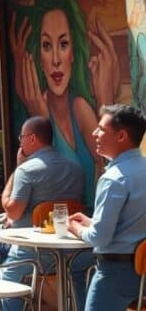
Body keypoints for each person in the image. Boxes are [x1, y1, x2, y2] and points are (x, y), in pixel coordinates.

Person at [10, 0, 118, 206]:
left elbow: (110, 167)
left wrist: (106, 100)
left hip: (88, 220)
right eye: (47, 46)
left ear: (74, 53)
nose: (57, 60)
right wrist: (39, 119)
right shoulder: (34, 109)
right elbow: (34, 184)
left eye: (63, 44)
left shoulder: (79, 107)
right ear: (38, 57)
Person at [0, 116, 86, 311]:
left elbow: (12, 211)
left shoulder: (27, 170)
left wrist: (17, 170)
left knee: (4, 269)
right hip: (72, 249)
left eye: (22, 137)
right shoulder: (75, 168)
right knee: (79, 277)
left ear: (32, 139)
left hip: (34, 250)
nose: (19, 142)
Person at [67, 104, 146, 311]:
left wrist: (76, 228)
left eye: (101, 129)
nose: (94, 133)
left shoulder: (113, 178)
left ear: (121, 136)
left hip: (117, 273)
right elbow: (134, 223)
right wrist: (92, 222)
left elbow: (99, 238)